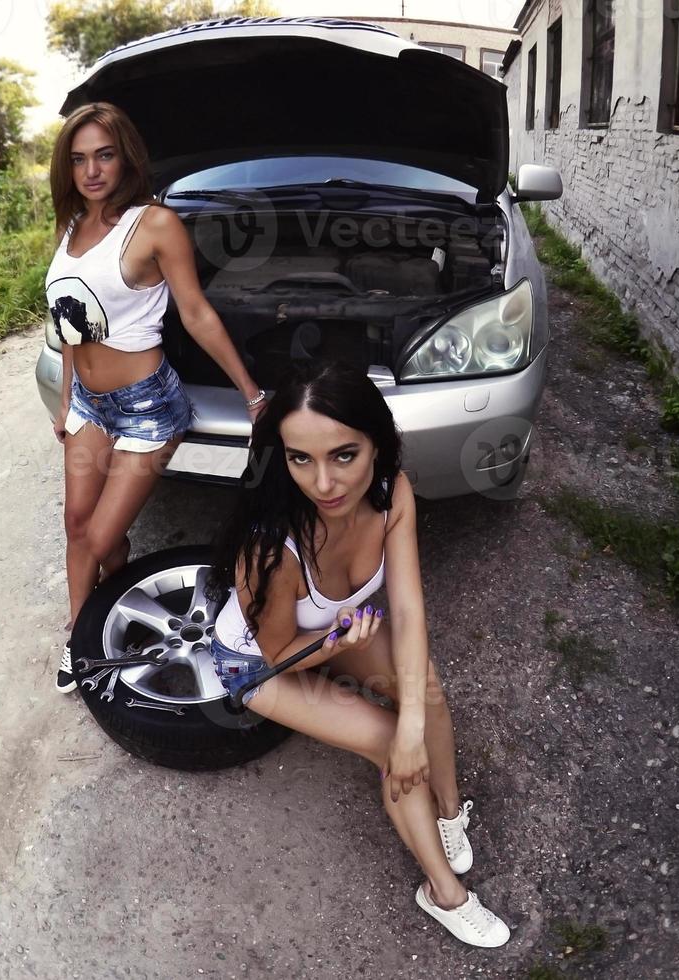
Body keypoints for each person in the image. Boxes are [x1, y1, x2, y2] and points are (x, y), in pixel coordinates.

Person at [207, 359, 512, 948]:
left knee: (422, 690)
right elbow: (275, 654)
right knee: (383, 740)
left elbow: (408, 608)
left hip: (342, 632)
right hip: (266, 661)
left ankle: (449, 812)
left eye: (343, 454)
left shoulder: (392, 490)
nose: (323, 484)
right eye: (301, 459)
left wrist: (414, 724)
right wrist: (337, 651)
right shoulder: (274, 548)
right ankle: (444, 892)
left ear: (378, 445)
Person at [47, 101, 265, 693]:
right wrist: (68, 400)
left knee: (100, 536)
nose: (91, 170)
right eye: (79, 158)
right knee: (77, 525)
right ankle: (82, 633)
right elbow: (69, 319)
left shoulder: (155, 224)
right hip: (92, 404)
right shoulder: (71, 228)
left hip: (147, 407)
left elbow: (195, 312)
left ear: (126, 157)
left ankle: (94, 629)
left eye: (104, 155)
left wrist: (250, 392)